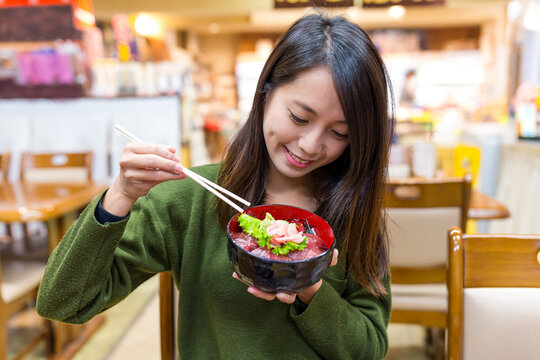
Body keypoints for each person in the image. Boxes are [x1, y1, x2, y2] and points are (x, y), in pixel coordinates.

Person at [37, 12, 395, 359]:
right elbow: (63, 302)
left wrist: (310, 286)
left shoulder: (353, 208)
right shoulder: (191, 198)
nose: (310, 145)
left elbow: (369, 348)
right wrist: (120, 195)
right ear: (265, 93)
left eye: (339, 133)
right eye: (299, 117)